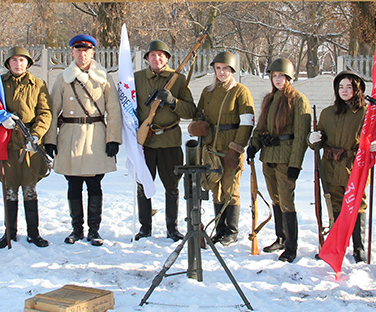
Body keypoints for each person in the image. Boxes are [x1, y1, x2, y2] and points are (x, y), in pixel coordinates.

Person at [45, 34, 122, 246]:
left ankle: (94, 231)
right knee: (73, 183)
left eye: (86, 50)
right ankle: (76, 229)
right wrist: (50, 139)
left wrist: (113, 138)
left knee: (95, 184)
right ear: (72, 52)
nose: (82, 54)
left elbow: (114, 110)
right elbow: (52, 110)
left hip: (96, 133)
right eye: (78, 50)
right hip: (70, 134)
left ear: (93, 53)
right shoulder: (63, 78)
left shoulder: (104, 78)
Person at [308, 70, 376, 263]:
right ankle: (335, 245)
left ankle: (358, 247)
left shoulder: (367, 113)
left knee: (357, 205)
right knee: (334, 206)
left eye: (348, 87)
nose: (344, 90)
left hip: (355, 168)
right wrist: (312, 139)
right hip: (331, 167)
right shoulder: (327, 113)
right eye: (340, 87)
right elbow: (318, 139)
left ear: (357, 89)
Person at [246, 58, 311, 262]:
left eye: (281, 76)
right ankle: (281, 237)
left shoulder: (298, 100)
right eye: (274, 76)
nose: (277, 79)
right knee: (275, 199)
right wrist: (254, 144)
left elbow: (301, 136)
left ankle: (291, 247)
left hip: (286, 158)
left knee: (286, 201)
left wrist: (295, 164)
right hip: (269, 156)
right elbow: (260, 127)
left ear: (289, 77)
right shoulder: (269, 99)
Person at [188, 51, 254, 246]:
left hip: (230, 149)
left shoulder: (240, 91)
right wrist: (195, 127)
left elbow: (247, 123)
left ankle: (231, 231)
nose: (222, 72)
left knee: (230, 189)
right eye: (218, 68)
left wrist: (236, 150)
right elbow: (198, 115)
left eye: (225, 69)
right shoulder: (208, 92)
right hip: (211, 150)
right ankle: (219, 229)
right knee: (215, 188)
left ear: (232, 70)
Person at [0, 47, 53, 248]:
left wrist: (36, 135)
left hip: (30, 145)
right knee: (9, 189)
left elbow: (45, 112)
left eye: (22, 60)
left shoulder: (38, 85)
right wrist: (1, 119)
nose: (18, 64)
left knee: (29, 188)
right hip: (7, 142)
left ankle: (33, 233)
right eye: (14, 60)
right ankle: (9, 232)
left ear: (28, 64)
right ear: (8, 63)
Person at [133, 40, 196, 242]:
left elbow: (191, 111)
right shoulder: (137, 79)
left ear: (167, 58)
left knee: (172, 186)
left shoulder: (178, 80)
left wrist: (173, 101)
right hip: (146, 141)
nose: (156, 59)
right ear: (147, 59)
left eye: (161, 55)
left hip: (170, 141)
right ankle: (145, 228)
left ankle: (172, 228)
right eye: (152, 55)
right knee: (143, 184)